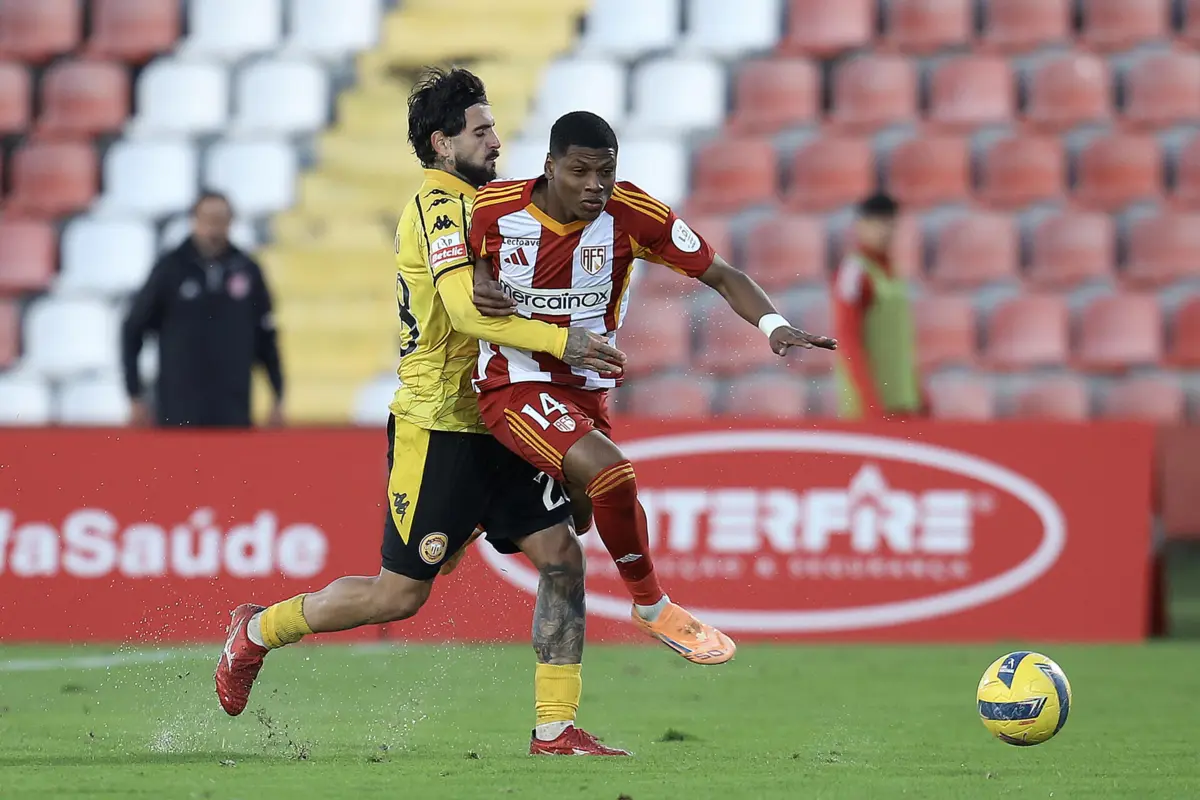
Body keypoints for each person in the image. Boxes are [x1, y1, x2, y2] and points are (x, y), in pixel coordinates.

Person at [214, 68, 630, 757]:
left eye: (494, 128)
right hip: (441, 425)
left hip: (506, 414)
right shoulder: (440, 207)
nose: (496, 141)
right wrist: (563, 340)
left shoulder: (496, 205)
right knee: (398, 597)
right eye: (481, 130)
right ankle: (255, 631)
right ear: (442, 143)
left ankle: (555, 729)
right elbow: (465, 310)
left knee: (562, 558)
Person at [467, 111, 837, 666]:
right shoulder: (493, 209)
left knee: (584, 515)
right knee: (612, 472)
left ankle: (483, 507)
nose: (595, 186)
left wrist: (773, 325)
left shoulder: (635, 215)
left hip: (586, 391)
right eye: (579, 172)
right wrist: (477, 279)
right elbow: (452, 266)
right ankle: (652, 606)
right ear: (549, 166)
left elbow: (722, 274)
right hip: (513, 383)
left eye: (606, 172)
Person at [121, 191, 285, 428]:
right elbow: (133, 328)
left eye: (221, 219)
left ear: (231, 222)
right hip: (179, 408)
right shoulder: (171, 269)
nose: (214, 228)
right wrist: (134, 392)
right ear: (194, 220)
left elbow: (266, 336)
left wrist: (277, 393)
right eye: (208, 219)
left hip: (232, 407)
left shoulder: (247, 270)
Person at [832, 193, 924, 421]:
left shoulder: (893, 273)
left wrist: (919, 392)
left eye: (889, 224)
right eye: (877, 224)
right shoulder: (855, 273)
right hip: (870, 408)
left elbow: (900, 342)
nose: (884, 232)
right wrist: (870, 402)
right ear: (860, 225)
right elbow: (848, 339)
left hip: (902, 401)